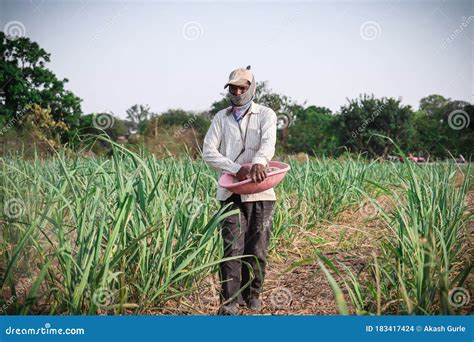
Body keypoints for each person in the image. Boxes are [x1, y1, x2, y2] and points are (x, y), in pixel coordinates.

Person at [202, 66, 277, 315]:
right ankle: (230, 301)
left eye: (242, 88)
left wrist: (259, 162)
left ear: (252, 88)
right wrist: (236, 168)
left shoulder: (266, 114)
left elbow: (268, 143)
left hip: (260, 191)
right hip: (231, 192)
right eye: (233, 88)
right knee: (231, 247)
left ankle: (252, 294)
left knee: (257, 247)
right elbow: (209, 152)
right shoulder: (220, 118)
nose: (237, 92)